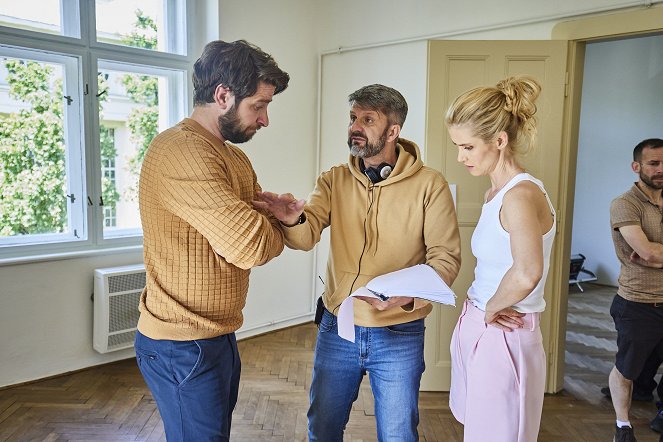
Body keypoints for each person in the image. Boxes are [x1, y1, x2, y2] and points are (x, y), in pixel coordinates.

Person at [253, 84, 461, 441]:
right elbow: (306, 237)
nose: (355, 127)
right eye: (352, 118)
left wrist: (410, 297)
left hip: (399, 332)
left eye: (368, 119)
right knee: (323, 430)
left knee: (398, 435)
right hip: (338, 327)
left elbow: (446, 258)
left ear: (393, 131)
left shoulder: (431, 185)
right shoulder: (333, 179)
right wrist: (291, 219)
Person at [133, 39, 290, 441]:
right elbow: (252, 245)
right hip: (181, 344)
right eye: (258, 105)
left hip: (217, 333)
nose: (266, 119)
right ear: (223, 96)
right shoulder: (181, 151)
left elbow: (254, 233)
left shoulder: (233, 157)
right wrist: (271, 223)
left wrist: (263, 223)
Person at [444, 76, 556, 442]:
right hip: (481, 322)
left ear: (499, 140)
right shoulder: (497, 192)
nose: (461, 158)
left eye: (467, 147)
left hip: (503, 330)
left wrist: (492, 307)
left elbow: (527, 272)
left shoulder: (520, 195)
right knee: (478, 431)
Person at [608, 138, 663, 442]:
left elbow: (654, 255)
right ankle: (622, 425)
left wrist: (654, 257)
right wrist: (651, 255)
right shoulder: (624, 203)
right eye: (654, 163)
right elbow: (647, 251)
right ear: (637, 166)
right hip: (638, 303)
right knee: (626, 369)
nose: (661, 170)